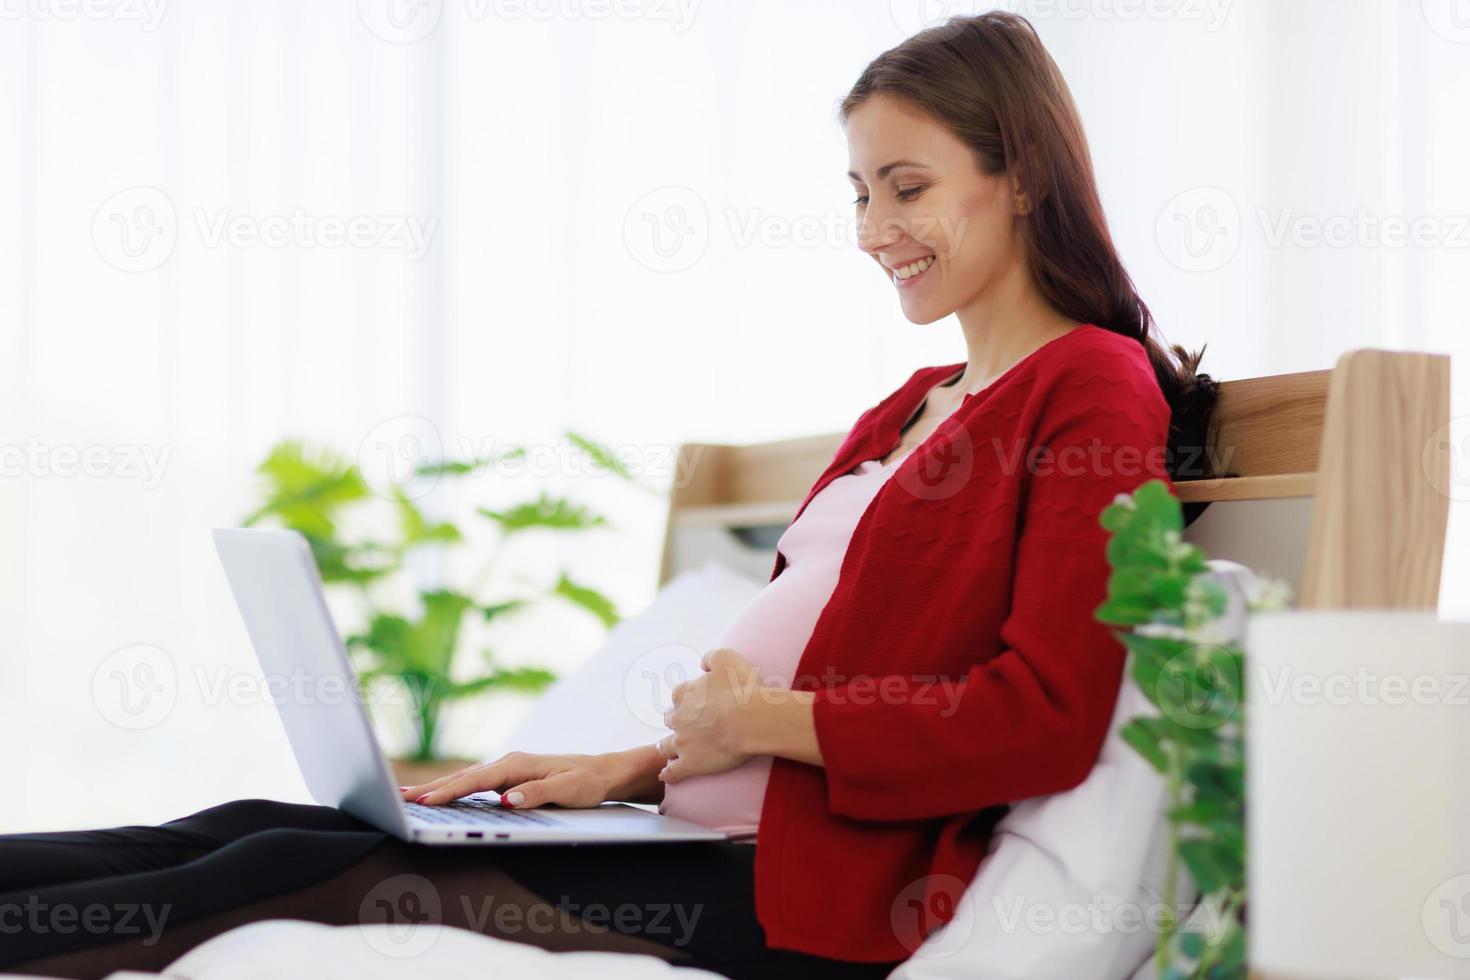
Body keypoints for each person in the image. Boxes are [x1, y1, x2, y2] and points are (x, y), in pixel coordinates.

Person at [1, 12, 1216, 980]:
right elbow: (810, 670)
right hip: (698, 826)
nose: (872, 229)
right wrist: (621, 765)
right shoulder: (912, 402)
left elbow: (1044, 715)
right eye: (857, 192)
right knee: (254, 823)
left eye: (906, 186)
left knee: (307, 870)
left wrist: (759, 725)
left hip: (809, 894)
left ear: (1020, 177)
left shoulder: (1092, 392)